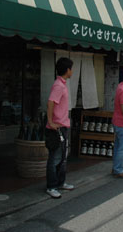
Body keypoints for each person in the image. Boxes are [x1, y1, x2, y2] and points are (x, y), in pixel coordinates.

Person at [46, 57, 74, 199]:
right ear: (67, 70)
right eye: (71, 68)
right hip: (57, 127)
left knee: (62, 157)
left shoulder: (62, 84)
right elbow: (50, 102)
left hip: (63, 125)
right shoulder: (58, 85)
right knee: (55, 158)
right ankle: (51, 186)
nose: (72, 71)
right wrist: (51, 122)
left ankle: (60, 182)